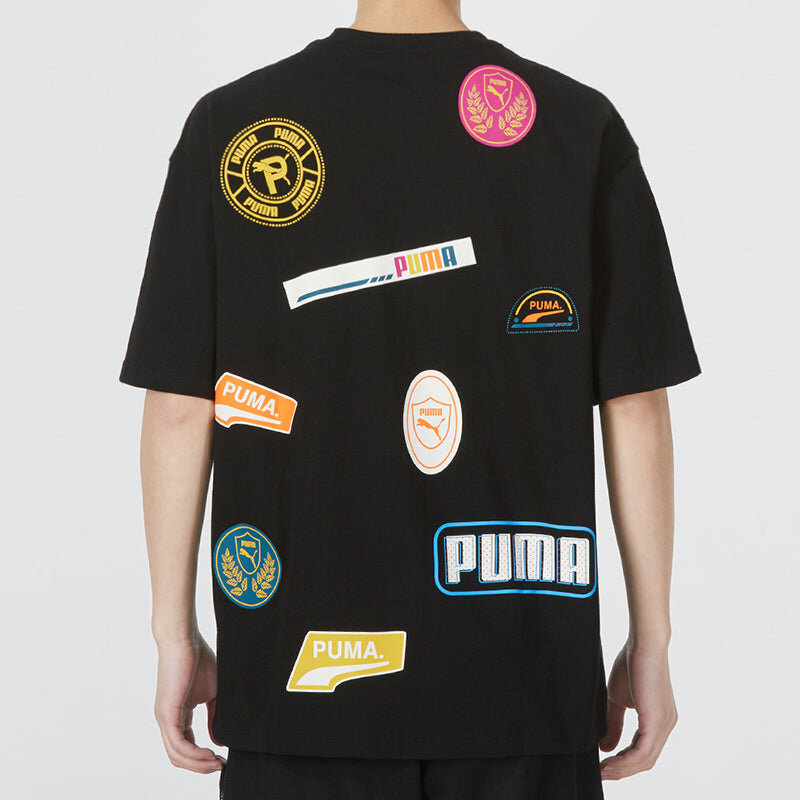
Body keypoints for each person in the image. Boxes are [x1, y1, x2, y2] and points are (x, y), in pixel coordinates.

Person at [119, 1, 701, 797]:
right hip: (522, 689)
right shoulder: (577, 126)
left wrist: (173, 635)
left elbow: (180, 405)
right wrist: (653, 643)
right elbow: (635, 403)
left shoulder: (230, 127)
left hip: (298, 698)